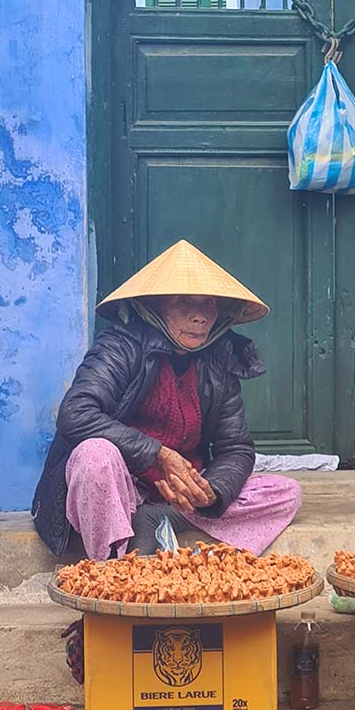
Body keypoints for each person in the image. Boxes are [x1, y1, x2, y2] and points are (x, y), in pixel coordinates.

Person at [32, 240, 301, 560]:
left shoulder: (219, 357)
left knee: (285, 492)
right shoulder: (120, 345)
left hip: (177, 493)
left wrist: (210, 492)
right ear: (156, 307)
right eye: (184, 303)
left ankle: (161, 518)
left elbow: (236, 447)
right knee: (95, 455)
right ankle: (114, 568)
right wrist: (157, 454)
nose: (199, 317)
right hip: (121, 488)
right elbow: (76, 413)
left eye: (207, 305)